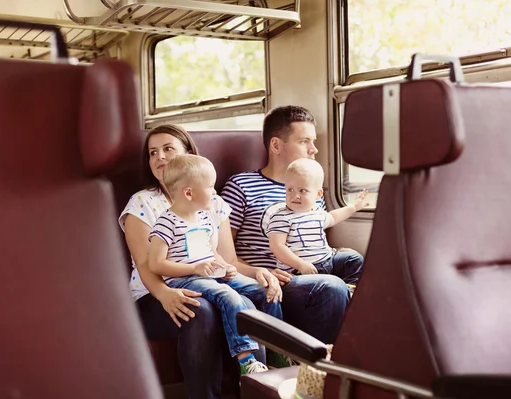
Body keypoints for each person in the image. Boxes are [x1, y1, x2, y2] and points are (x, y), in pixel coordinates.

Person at [119, 124, 282, 399]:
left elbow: (220, 257)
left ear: (189, 155)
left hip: (207, 277)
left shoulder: (211, 202)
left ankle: (269, 376)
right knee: (200, 308)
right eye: (152, 152)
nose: (159, 157)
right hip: (155, 291)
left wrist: (256, 273)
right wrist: (165, 294)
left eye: (168, 149)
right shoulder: (143, 204)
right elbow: (148, 264)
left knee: (258, 295)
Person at [221, 105, 357, 345]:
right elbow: (224, 253)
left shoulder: (312, 188)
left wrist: (336, 252)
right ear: (276, 146)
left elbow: (315, 237)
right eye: (305, 141)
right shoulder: (240, 186)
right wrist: (260, 273)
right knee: (332, 287)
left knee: (363, 265)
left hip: (312, 268)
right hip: (275, 281)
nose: (313, 149)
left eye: (312, 141)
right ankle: (318, 367)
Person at [148, 154, 283, 375]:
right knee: (229, 296)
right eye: (210, 187)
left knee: (266, 290)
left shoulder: (205, 217)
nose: (214, 192)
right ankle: (246, 360)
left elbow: (212, 254)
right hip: (186, 279)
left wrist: (225, 268)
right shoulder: (166, 223)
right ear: (189, 193)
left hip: (211, 274)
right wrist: (194, 268)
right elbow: (156, 264)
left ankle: (278, 350)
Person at [266, 158, 367, 291]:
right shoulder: (281, 217)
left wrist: (353, 207)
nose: (295, 195)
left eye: (302, 191)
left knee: (354, 259)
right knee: (329, 285)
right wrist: (300, 264)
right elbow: (277, 246)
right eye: (290, 190)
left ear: (318, 194)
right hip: (298, 270)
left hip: (327, 259)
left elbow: (333, 217)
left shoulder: (317, 212)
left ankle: (351, 291)